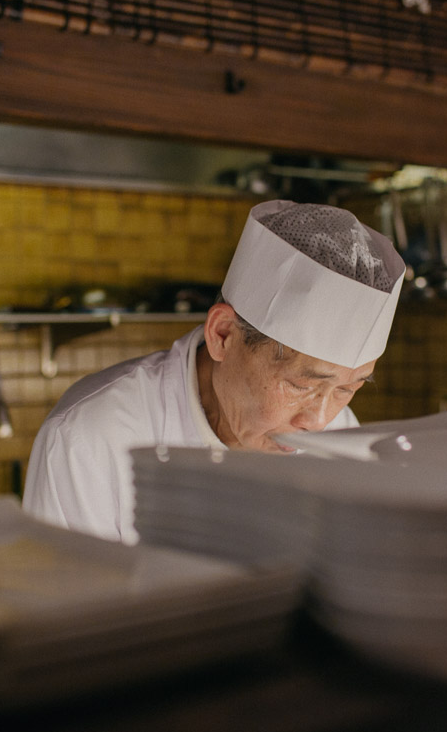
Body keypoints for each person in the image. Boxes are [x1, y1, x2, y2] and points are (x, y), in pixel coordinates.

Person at [22, 199, 406, 543]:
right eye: (301, 384)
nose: (319, 421)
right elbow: (62, 614)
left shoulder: (340, 437)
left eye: (347, 389)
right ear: (223, 335)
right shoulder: (89, 440)